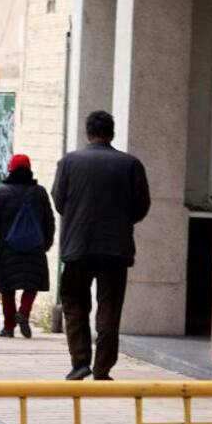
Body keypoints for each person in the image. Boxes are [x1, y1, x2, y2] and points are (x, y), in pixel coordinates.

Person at [52, 111, 150, 381]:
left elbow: (59, 201)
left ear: (88, 133)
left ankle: (80, 361)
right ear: (112, 134)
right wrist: (120, 222)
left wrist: (78, 217)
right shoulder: (131, 165)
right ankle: (103, 368)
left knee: (74, 305)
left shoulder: (69, 162)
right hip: (115, 249)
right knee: (109, 309)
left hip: (77, 247)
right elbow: (141, 206)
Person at [0, 154, 56, 339]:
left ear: (11, 169)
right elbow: (49, 221)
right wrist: (45, 244)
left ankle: (9, 327)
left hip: (7, 249)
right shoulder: (40, 193)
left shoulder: (2, 192)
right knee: (32, 283)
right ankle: (24, 312)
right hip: (34, 247)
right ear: (29, 170)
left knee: (7, 288)